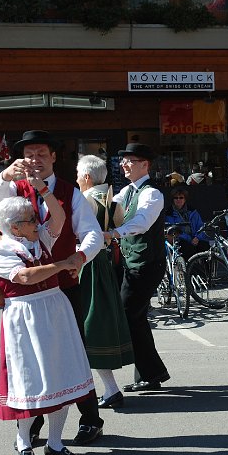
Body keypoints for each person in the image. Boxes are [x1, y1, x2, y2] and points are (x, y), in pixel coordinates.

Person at [0, 130, 105, 446]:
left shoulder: (69, 192)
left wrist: (80, 256)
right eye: (29, 154)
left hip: (63, 286)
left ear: (54, 157)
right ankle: (34, 422)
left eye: (41, 154)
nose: (35, 160)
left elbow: (90, 232)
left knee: (73, 354)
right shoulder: (12, 188)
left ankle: (91, 419)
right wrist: (7, 172)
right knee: (33, 359)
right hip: (24, 295)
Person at [0, 194, 94, 455]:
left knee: (63, 374)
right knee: (31, 381)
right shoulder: (1, 250)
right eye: (31, 220)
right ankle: (24, 441)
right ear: (14, 227)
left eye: (35, 218)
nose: (37, 223)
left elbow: (59, 218)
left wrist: (44, 190)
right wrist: (62, 264)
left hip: (55, 310)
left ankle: (55, 443)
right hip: (25, 317)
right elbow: (24, 277)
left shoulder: (40, 241)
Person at [110, 143, 171, 392]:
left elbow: (142, 222)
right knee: (136, 317)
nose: (124, 164)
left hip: (147, 264)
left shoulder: (152, 193)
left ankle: (151, 372)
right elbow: (107, 209)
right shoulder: (127, 192)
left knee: (128, 315)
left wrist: (114, 232)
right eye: (123, 161)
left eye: (130, 161)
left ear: (145, 164)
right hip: (132, 262)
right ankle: (150, 373)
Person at [75, 155, 134, 409]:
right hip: (105, 263)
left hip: (87, 264)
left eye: (78, 175)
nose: (77, 180)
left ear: (86, 177)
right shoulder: (113, 200)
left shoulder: (85, 200)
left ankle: (105, 390)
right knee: (95, 324)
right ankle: (109, 389)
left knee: (89, 325)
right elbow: (119, 226)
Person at [164, 186, 210, 260]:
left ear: (185, 199)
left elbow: (200, 226)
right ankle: (190, 270)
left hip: (195, 238)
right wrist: (190, 239)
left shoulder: (193, 211)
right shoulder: (169, 213)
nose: (178, 200)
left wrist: (197, 237)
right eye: (176, 198)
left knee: (205, 246)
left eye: (181, 197)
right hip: (179, 239)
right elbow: (173, 230)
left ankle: (207, 271)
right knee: (188, 248)